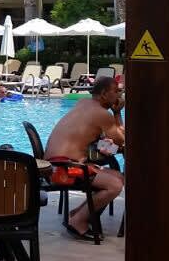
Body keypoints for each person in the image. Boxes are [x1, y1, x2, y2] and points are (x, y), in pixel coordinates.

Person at [44, 76, 125, 239]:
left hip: (51, 165)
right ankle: (78, 221)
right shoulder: (102, 114)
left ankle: (77, 214)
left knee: (118, 176)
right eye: (116, 91)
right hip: (63, 170)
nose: (119, 95)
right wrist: (117, 113)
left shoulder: (83, 103)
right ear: (104, 94)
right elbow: (120, 140)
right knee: (115, 185)